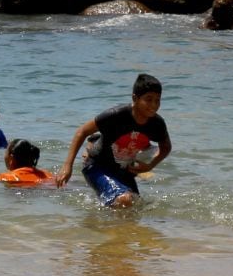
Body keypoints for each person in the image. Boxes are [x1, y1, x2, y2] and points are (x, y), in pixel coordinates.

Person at [54, 73, 172, 209]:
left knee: (136, 207)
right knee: (124, 200)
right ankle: (106, 228)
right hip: (97, 166)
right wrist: (67, 165)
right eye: (148, 99)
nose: (154, 105)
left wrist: (150, 165)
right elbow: (82, 131)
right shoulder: (116, 115)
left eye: (157, 100)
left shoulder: (157, 124)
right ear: (135, 98)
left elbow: (166, 147)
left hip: (124, 171)